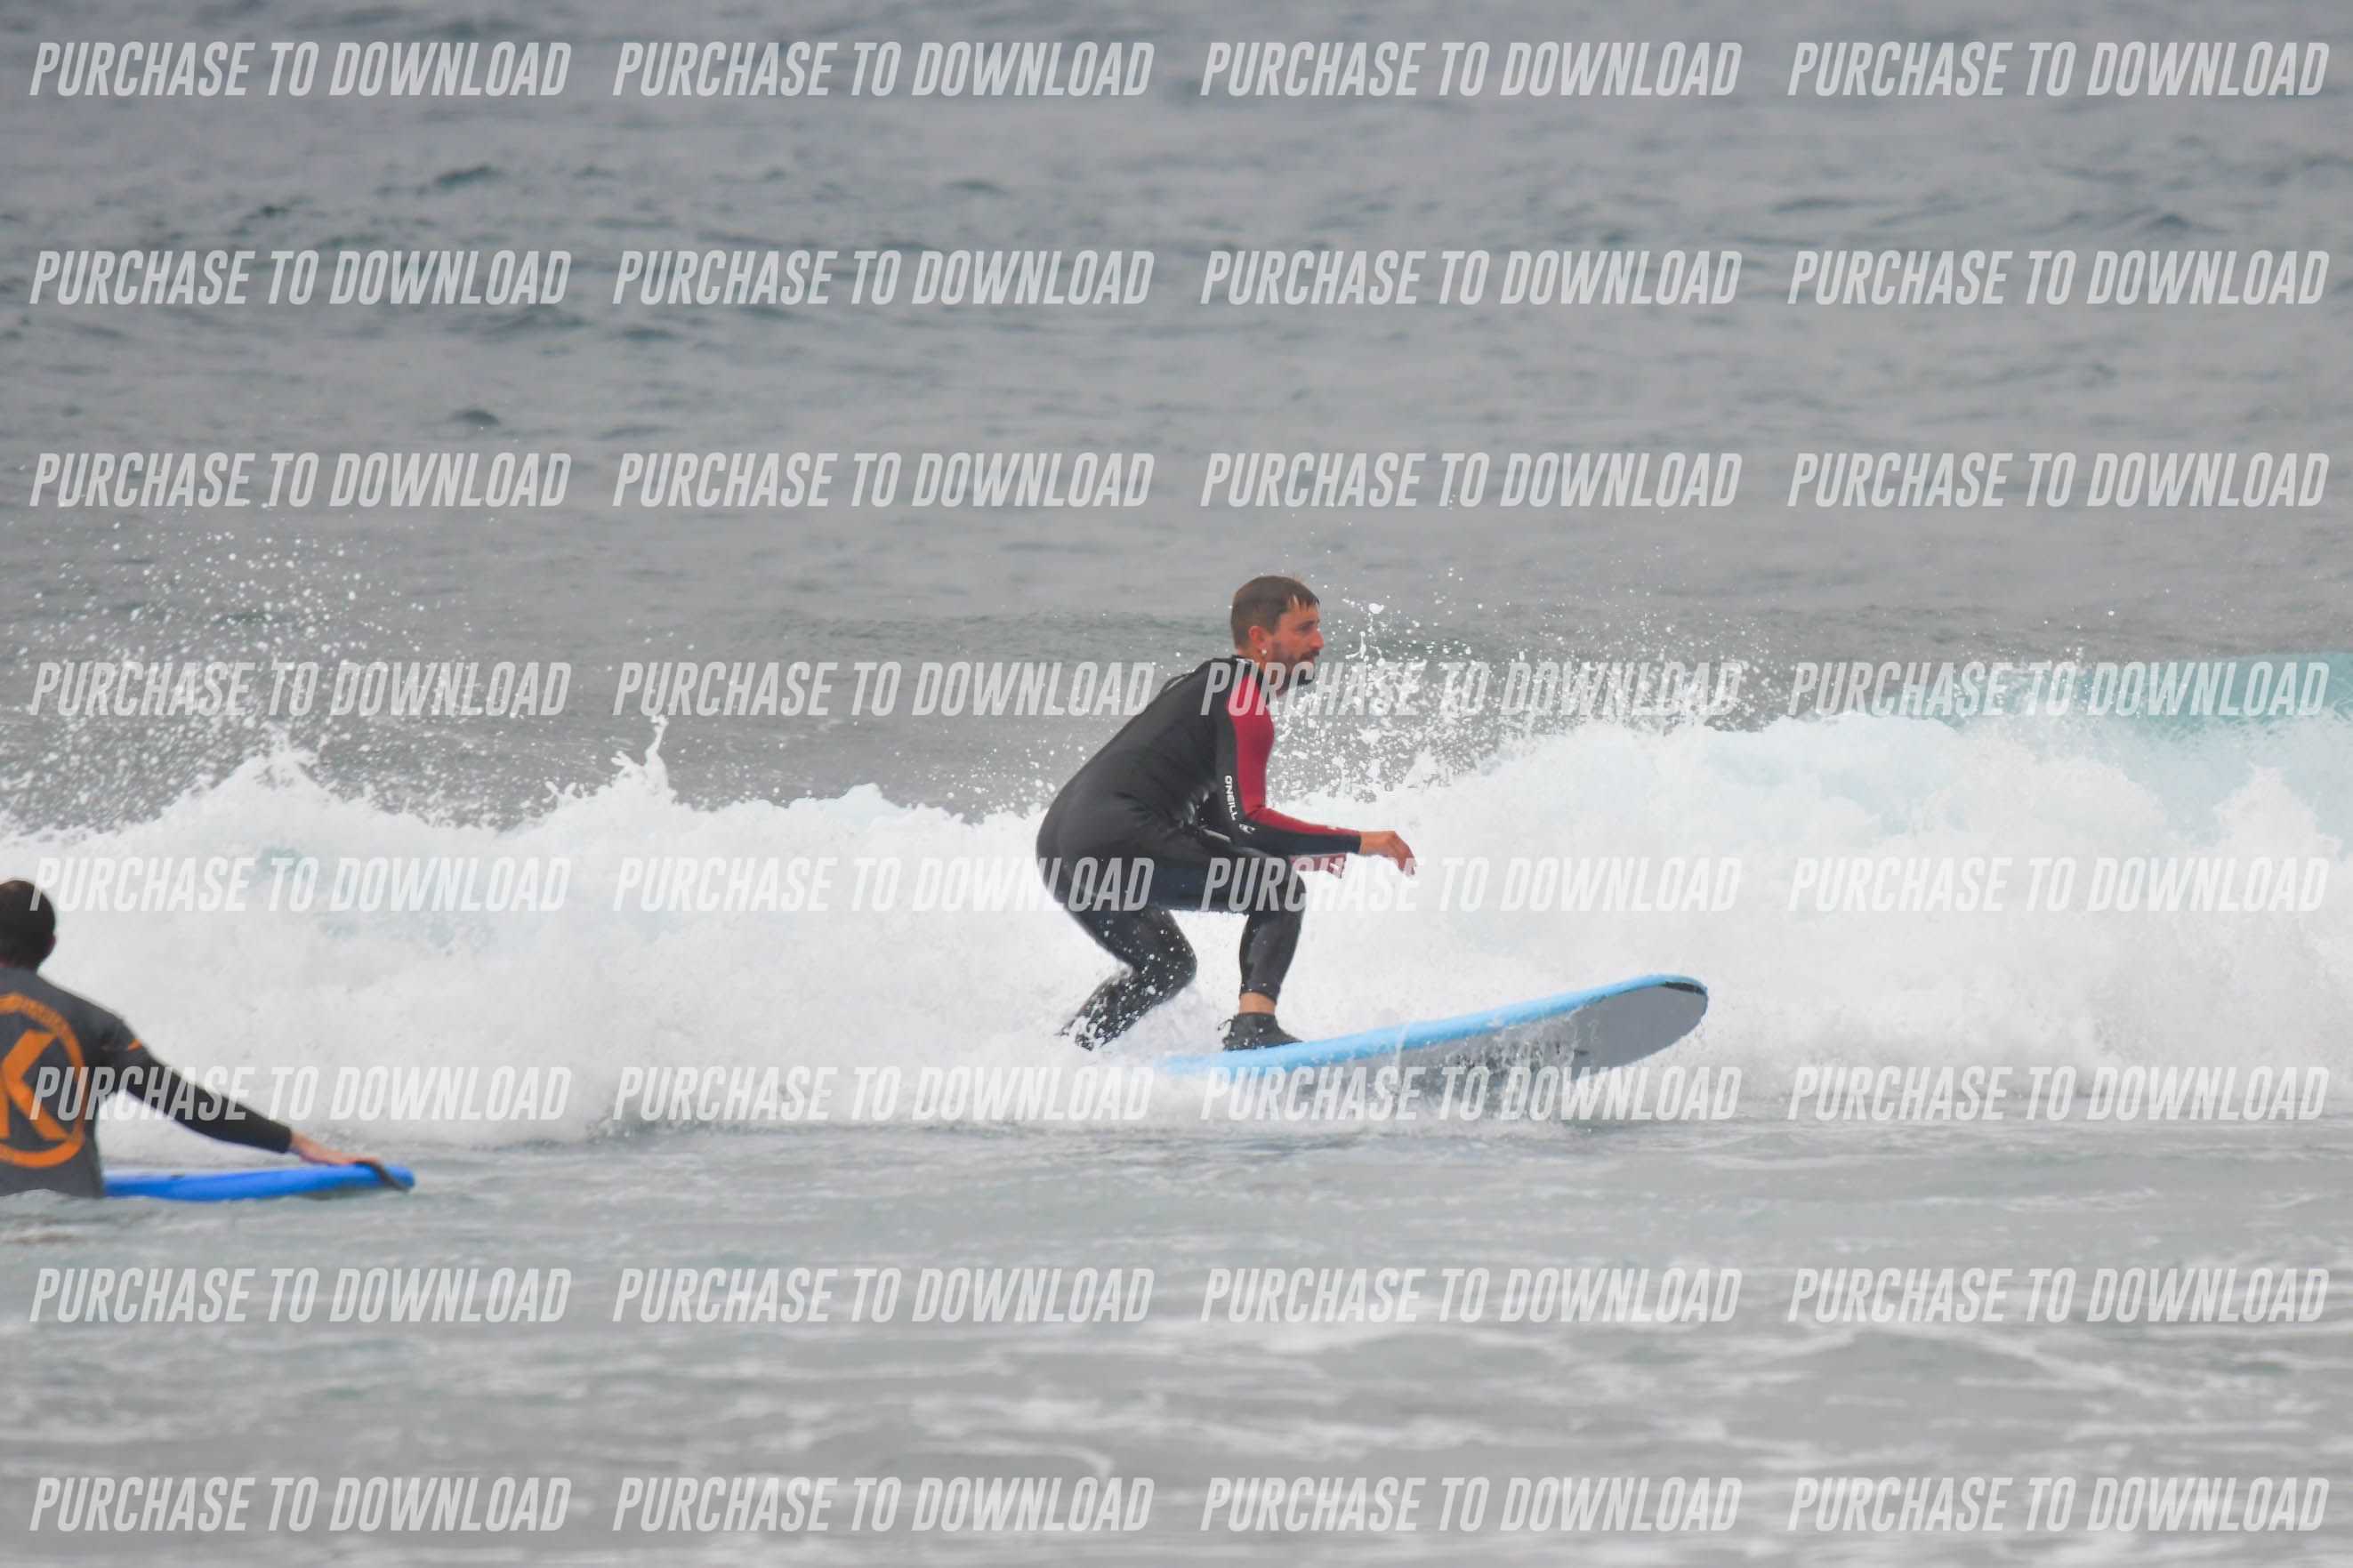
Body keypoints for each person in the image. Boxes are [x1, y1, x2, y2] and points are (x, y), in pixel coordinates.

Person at [1036, 575, 1415, 1050]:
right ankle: (1254, 1027)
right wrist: (1359, 841)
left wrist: (1294, 852)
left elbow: (1216, 820)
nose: (1319, 642)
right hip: (1118, 836)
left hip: (1061, 850)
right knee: (1278, 891)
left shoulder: (1199, 688)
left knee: (1167, 966)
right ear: (1260, 639)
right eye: (1304, 629)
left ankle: (1064, 1057)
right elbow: (1248, 820)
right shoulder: (1243, 702)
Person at [0, 880, 375, 1197]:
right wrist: (301, 1145)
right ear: (51, 945)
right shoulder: (97, 1023)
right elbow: (187, 1104)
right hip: (74, 1212)